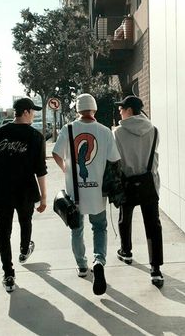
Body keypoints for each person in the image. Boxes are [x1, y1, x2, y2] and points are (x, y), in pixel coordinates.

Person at [52, 93, 120, 295]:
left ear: (77, 110)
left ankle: (82, 266)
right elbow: (114, 159)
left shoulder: (68, 129)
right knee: (99, 227)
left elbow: (56, 153)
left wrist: (66, 169)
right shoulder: (105, 131)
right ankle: (99, 260)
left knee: (76, 229)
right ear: (95, 109)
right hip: (97, 192)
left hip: (75, 192)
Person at [0, 98, 47, 292]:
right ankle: (23, 250)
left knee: (4, 233)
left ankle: (8, 274)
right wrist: (44, 196)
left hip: (3, 191)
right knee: (25, 221)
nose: (34, 114)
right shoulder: (35, 136)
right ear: (26, 112)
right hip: (26, 191)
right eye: (33, 111)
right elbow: (41, 170)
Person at [113, 95, 164, 288]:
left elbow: (116, 160)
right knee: (153, 225)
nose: (119, 111)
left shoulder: (117, 132)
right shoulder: (154, 130)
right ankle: (156, 270)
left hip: (128, 181)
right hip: (149, 183)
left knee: (124, 218)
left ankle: (126, 252)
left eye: (121, 108)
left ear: (129, 110)